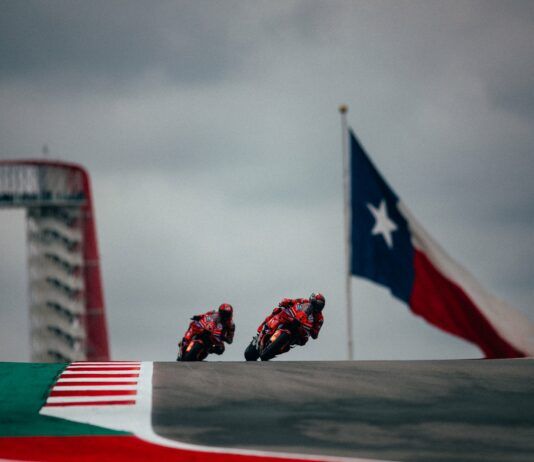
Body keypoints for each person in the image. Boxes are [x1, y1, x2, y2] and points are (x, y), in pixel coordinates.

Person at [257, 293, 325, 346]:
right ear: (312, 300)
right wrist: (285, 302)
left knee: (303, 340)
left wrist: (312, 330)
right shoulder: (303, 301)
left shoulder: (320, 318)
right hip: (292, 317)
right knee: (277, 310)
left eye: (320, 305)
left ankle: (284, 345)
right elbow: (292, 301)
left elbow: (315, 333)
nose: (317, 306)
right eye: (316, 303)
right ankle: (263, 329)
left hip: (302, 328)